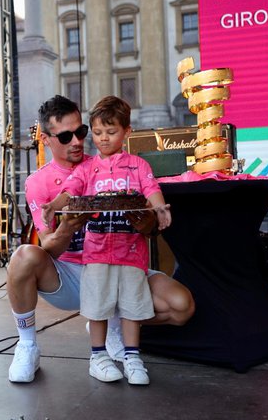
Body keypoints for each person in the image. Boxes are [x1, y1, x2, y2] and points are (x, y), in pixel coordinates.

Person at [6, 95, 194, 383]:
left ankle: (111, 325)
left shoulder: (113, 163)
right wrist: (67, 226)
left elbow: (150, 219)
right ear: (45, 139)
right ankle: (27, 344)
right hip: (72, 274)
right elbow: (49, 249)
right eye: (66, 136)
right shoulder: (38, 183)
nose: (78, 142)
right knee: (23, 257)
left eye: (81, 132)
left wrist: (149, 223)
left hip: (121, 261)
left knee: (181, 306)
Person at [41, 95, 171, 384]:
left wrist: (159, 207)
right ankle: (98, 356)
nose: (102, 139)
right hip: (97, 252)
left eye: (111, 133)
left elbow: (151, 189)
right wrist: (53, 205)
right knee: (97, 307)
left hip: (131, 253)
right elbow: (72, 192)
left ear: (126, 132)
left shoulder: (138, 165)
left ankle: (132, 356)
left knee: (132, 307)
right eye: (97, 133)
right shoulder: (87, 169)